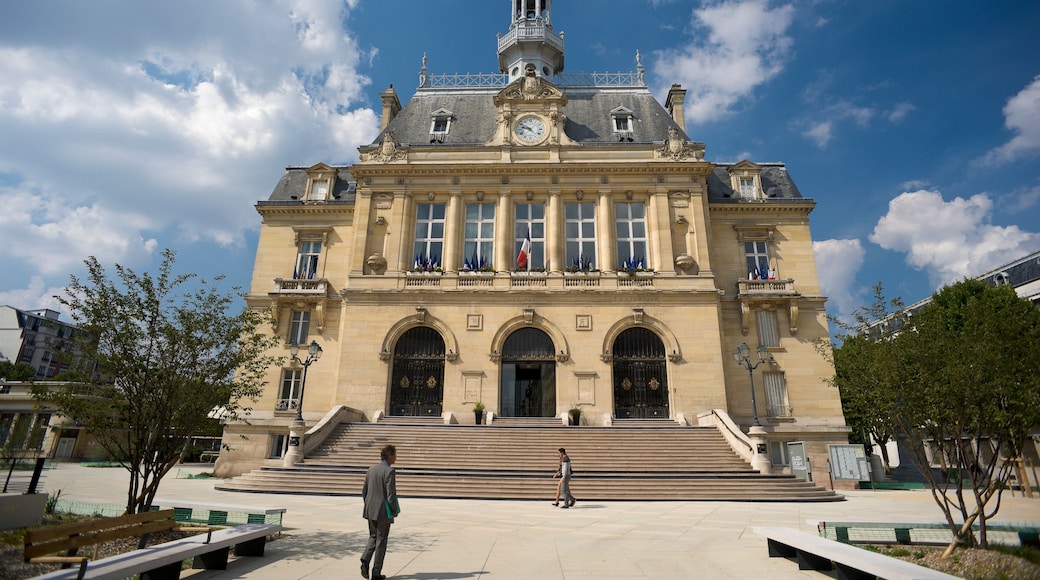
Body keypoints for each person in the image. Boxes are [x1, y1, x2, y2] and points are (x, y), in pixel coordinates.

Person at [361, 444, 399, 579]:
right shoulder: (389, 471)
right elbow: (391, 495)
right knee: (381, 540)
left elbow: (364, 491)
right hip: (383, 511)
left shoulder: (371, 469)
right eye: (394, 454)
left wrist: (368, 504)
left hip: (370, 509)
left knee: (373, 536)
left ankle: (365, 559)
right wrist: (394, 510)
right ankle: (376, 572)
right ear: (389, 456)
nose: (396, 457)